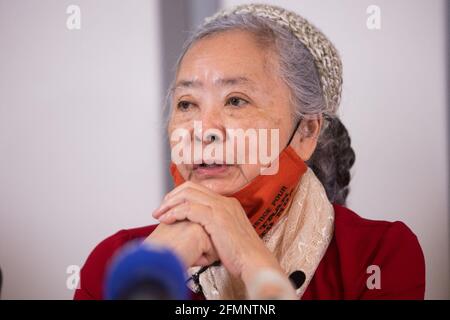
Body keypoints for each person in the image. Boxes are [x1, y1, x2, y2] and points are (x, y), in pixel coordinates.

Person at [74, 3, 425, 300]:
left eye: (236, 100)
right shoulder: (116, 262)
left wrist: (250, 257)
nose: (203, 129)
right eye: (186, 103)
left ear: (306, 132)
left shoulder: (377, 255)